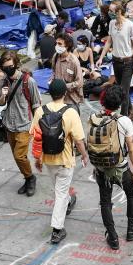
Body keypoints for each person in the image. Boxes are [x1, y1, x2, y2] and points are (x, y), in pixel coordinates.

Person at [30, 79, 89, 244]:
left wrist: (38, 158)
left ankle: (69, 202)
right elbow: (78, 140)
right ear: (65, 93)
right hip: (65, 159)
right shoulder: (70, 113)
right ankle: (57, 229)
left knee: (59, 187)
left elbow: (35, 136)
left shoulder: (40, 111)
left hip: (48, 159)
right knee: (61, 193)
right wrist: (84, 155)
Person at [90, 85, 133, 249]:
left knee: (105, 202)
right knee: (131, 194)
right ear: (120, 103)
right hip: (120, 168)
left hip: (101, 169)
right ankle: (131, 229)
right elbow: (132, 147)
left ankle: (112, 237)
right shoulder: (124, 121)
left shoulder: (94, 118)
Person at [0, 51, 42, 197]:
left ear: (16, 64)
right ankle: (27, 177)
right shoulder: (2, 81)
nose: (8, 69)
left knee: (19, 156)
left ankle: (31, 178)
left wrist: (37, 125)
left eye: (10, 66)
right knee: (17, 156)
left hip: (24, 123)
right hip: (9, 124)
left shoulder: (28, 81)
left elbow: (37, 104)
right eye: (5, 67)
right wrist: (3, 96)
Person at [97, 1, 133, 119]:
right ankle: (130, 110)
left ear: (119, 11)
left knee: (123, 90)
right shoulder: (111, 23)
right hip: (116, 61)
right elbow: (109, 42)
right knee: (123, 88)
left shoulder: (130, 25)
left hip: (128, 61)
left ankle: (124, 116)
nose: (110, 13)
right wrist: (101, 57)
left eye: (112, 11)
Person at [52, 34, 84, 111]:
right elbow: (53, 72)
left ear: (67, 46)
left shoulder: (74, 61)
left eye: (60, 44)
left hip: (72, 100)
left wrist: (63, 86)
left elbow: (79, 83)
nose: (57, 46)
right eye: (56, 43)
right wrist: (52, 81)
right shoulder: (55, 57)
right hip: (58, 98)